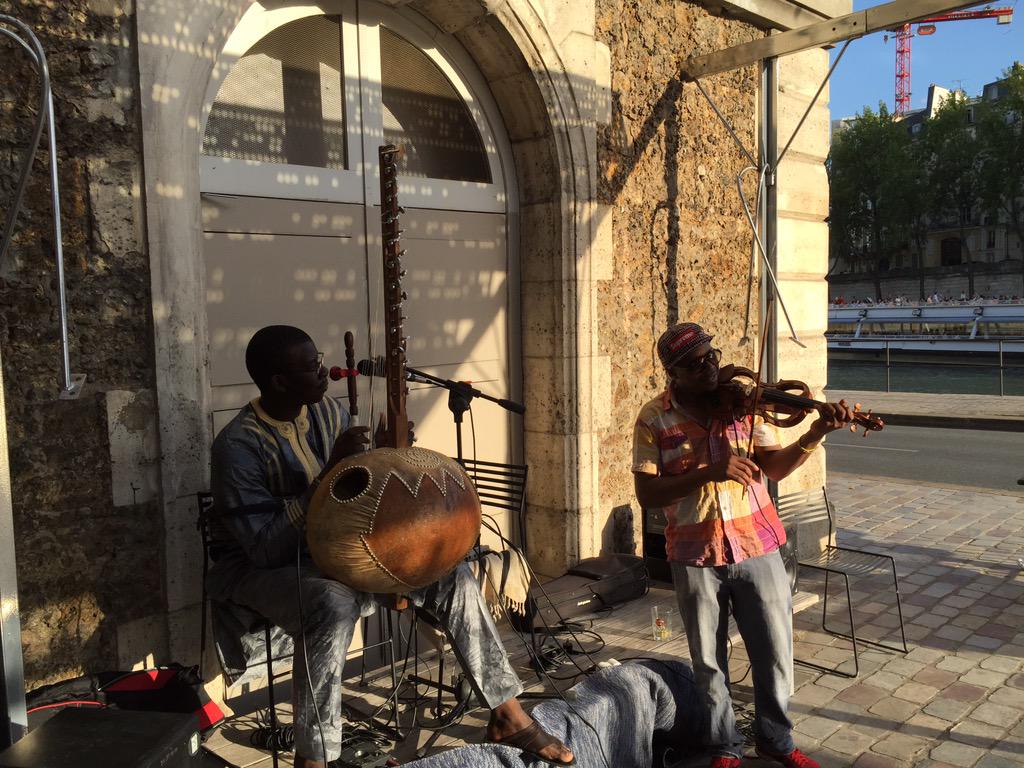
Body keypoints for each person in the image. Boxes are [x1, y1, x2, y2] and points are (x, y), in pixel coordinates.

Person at [208, 325, 574, 768]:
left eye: (320, 359)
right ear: (278, 382)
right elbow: (263, 549)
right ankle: (315, 756)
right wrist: (329, 474)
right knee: (332, 602)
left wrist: (383, 457)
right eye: (311, 367)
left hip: (342, 556)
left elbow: (358, 493)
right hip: (263, 571)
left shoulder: (325, 411)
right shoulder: (237, 445)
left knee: (452, 574)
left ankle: (507, 714)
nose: (325, 372)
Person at [631, 322, 854, 768]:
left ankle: (777, 741)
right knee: (709, 661)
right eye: (696, 365)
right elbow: (648, 495)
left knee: (774, 651)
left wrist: (814, 435)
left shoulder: (746, 407)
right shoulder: (653, 417)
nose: (711, 368)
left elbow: (775, 468)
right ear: (673, 373)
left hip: (757, 544)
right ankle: (722, 746)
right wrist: (708, 472)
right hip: (694, 555)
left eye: (712, 355)